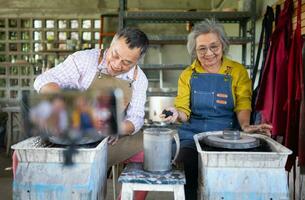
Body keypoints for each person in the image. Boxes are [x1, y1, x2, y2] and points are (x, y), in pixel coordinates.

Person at [13, 27, 149, 200]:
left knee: (145, 151)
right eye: (115, 55)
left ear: (137, 61)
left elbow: (136, 118)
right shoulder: (84, 59)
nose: (117, 64)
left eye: (126, 63)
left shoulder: (139, 79)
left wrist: (116, 127)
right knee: (22, 154)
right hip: (64, 129)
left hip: (104, 138)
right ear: (110, 45)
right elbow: (44, 80)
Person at [161, 19, 272, 200]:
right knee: (187, 162)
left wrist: (245, 126)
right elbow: (183, 109)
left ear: (223, 46)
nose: (209, 53)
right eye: (202, 48)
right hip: (193, 133)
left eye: (214, 47)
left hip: (227, 132)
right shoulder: (188, 74)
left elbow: (243, 103)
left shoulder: (237, 71)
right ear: (194, 51)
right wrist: (176, 114)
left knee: (228, 174)